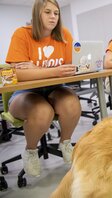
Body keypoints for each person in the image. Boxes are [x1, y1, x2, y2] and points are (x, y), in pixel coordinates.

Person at [6, 0, 81, 177]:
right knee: (42, 111)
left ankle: (65, 142)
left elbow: (71, 66)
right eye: (48, 12)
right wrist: (53, 70)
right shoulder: (22, 34)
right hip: (26, 93)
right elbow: (16, 73)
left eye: (56, 13)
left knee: (72, 103)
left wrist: (35, 69)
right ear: (37, 14)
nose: (53, 17)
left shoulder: (64, 35)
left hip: (55, 88)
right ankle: (31, 151)